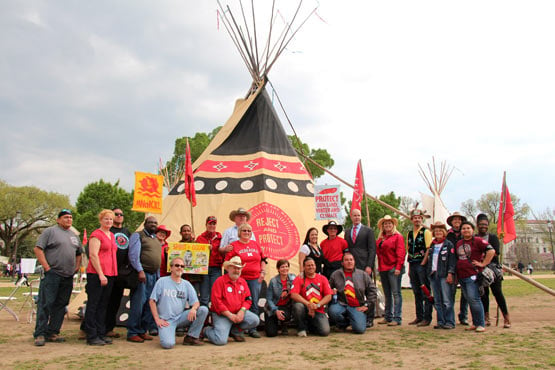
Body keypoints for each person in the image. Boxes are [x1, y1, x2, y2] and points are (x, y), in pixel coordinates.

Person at [33, 209, 83, 346]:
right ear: (58, 219)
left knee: (61, 305)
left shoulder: (74, 236)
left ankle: (53, 332)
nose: (69, 220)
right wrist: (46, 267)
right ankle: (40, 333)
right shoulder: (50, 232)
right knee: (46, 304)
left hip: (68, 276)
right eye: (66, 217)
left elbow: (79, 253)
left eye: (71, 217)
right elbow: (38, 249)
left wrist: (77, 267)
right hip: (52, 274)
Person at [149, 257, 209, 349]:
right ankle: (168, 332)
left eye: (182, 266)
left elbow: (196, 302)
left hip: (180, 317)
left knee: (203, 310)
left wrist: (193, 309)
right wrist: (157, 319)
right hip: (166, 321)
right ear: (171, 268)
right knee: (168, 344)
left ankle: (191, 337)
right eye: (177, 265)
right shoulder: (162, 281)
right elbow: (152, 301)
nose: (179, 268)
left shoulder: (186, 284)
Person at [204, 256, 260, 345]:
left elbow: (248, 299)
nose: (237, 270)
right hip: (222, 315)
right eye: (234, 268)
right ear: (228, 268)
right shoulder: (219, 281)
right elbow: (216, 302)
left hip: (238, 312)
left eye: (239, 268)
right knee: (220, 341)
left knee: (255, 320)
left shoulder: (243, 282)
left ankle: (234, 331)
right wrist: (229, 315)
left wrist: (242, 311)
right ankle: (206, 331)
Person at [224, 223, 266, 338]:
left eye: (249, 231)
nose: (247, 233)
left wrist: (263, 272)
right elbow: (227, 263)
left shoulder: (256, 244)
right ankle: (238, 328)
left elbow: (263, 259)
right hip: (239, 279)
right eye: (244, 231)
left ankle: (252, 329)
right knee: (239, 304)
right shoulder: (233, 245)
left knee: (254, 302)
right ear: (239, 233)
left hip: (254, 278)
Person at [83, 210, 118, 346]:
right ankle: (91, 334)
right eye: (106, 219)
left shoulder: (112, 235)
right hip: (97, 274)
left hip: (110, 273)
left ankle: (100, 332)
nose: (108, 221)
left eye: (110, 219)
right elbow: (93, 255)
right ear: (101, 220)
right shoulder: (96, 235)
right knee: (94, 304)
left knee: (103, 305)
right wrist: (100, 274)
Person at [455, 221, 495, 332]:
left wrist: (483, 263)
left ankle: (481, 324)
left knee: (475, 299)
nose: (466, 230)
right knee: (469, 299)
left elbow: (491, 251)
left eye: (468, 228)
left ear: (473, 230)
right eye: (463, 228)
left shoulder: (478, 241)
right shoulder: (459, 243)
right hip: (462, 275)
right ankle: (475, 322)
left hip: (472, 274)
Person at [127, 216, 161, 342]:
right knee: (138, 303)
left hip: (153, 275)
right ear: (145, 224)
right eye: (151, 222)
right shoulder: (138, 236)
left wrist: (158, 276)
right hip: (142, 274)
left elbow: (157, 259)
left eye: (155, 222)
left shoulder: (155, 239)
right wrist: (140, 270)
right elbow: (133, 255)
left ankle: (142, 330)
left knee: (149, 303)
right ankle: (133, 331)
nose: (153, 224)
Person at [476, 214, 511, 328]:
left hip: (493, 268)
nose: (483, 227)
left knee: (498, 293)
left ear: (488, 225)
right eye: (481, 224)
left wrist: (484, 256)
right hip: (480, 269)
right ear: (477, 225)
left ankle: (506, 318)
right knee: (483, 294)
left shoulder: (493, 238)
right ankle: (486, 317)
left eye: (485, 224)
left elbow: (495, 252)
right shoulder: (475, 237)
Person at [328, 252, 377, 334]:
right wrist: (331, 291)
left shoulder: (363, 274)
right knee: (333, 311)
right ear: (342, 263)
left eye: (351, 260)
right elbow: (327, 288)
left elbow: (373, 291)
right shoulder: (336, 274)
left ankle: (355, 319)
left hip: (357, 306)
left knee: (359, 330)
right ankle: (344, 323)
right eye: (346, 260)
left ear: (354, 261)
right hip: (341, 304)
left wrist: (367, 305)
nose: (349, 262)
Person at [344, 209, 377, 327]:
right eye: (354, 216)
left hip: (364, 265)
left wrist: (370, 265)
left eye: (358, 215)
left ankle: (370, 317)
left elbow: (372, 249)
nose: (357, 217)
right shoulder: (347, 231)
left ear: (361, 217)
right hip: (351, 266)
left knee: (369, 291)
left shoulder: (368, 231)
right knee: (354, 290)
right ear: (351, 217)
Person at [105, 208, 132, 338]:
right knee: (102, 300)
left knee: (115, 301)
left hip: (120, 272)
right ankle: (88, 327)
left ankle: (109, 327)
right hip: (106, 270)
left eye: (122, 214)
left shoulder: (126, 232)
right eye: (116, 214)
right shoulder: (107, 230)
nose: (119, 216)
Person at [291, 258, 333, 337]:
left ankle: (311, 325)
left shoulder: (322, 278)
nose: (311, 267)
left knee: (325, 332)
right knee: (298, 306)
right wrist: (308, 304)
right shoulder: (299, 278)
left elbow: (328, 296)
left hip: (318, 308)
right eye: (308, 265)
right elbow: (293, 294)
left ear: (315, 266)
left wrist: (317, 305)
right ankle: (301, 328)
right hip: (305, 307)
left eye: (312, 265)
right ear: (303, 267)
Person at [426, 221, 456, 329]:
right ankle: (440, 321)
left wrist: (450, 273)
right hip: (434, 275)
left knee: (447, 300)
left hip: (444, 274)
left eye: (440, 231)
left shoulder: (448, 245)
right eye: (436, 231)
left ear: (444, 232)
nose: (438, 232)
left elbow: (452, 261)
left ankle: (450, 321)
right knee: (437, 300)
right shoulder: (433, 245)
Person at [376, 215, 405, 326]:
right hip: (383, 268)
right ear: (382, 226)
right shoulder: (380, 239)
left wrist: (398, 267)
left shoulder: (398, 237)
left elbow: (401, 253)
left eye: (389, 223)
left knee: (396, 293)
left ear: (393, 225)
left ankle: (397, 317)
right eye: (385, 224)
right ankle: (388, 316)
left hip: (393, 268)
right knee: (387, 293)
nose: (387, 225)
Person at [406, 209, 433, 327]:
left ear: (422, 219)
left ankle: (427, 317)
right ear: (411, 219)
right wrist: (409, 267)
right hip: (412, 263)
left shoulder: (426, 232)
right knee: (416, 291)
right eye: (415, 218)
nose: (417, 220)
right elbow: (409, 249)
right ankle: (419, 316)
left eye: (419, 218)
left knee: (425, 290)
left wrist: (424, 262)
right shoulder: (410, 234)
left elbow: (428, 248)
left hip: (422, 263)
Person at [446, 211, 469, 325]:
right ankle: (450, 318)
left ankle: (463, 315)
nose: (457, 222)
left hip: (464, 265)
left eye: (459, 220)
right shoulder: (447, 234)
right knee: (451, 293)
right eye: (455, 219)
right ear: (451, 222)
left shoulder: (465, 233)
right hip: (451, 265)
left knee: (465, 293)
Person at [195, 216, 223, 307]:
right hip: (204, 269)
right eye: (210, 223)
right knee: (204, 296)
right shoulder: (200, 238)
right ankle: (205, 319)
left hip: (216, 269)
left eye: (214, 224)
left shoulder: (220, 238)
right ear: (206, 225)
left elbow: (224, 253)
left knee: (215, 295)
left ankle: (214, 318)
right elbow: (195, 253)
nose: (212, 225)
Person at [265, 259, 296, 337]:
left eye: (286, 266)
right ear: (278, 269)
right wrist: (275, 310)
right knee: (271, 334)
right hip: (273, 307)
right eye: (282, 267)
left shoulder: (293, 278)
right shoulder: (273, 281)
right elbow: (269, 299)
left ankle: (284, 324)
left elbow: (296, 290)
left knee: (286, 313)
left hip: (286, 306)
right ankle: (273, 323)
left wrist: (288, 292)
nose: (285, 269)